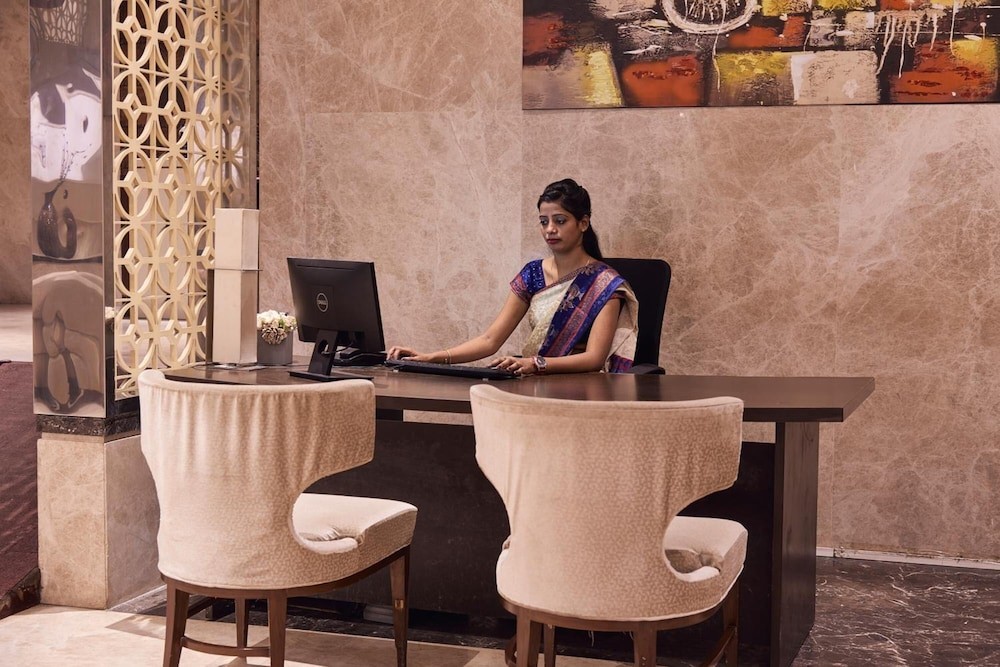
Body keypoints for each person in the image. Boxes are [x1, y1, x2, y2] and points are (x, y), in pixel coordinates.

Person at [388, 179, 639, 375]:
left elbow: (594, 359)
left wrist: (536, 364)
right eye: (544, 222)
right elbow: (490, 340)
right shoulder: (533, 273)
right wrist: (430, 358)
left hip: (580, 388)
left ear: (583, 223)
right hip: (533, 382)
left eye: (560, 221)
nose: (550, 229)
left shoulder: (604, 283)